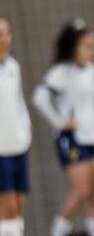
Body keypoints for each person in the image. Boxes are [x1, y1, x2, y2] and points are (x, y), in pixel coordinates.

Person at [31, 20, 94, 236]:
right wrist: (59, 121)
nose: (92, 51)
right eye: (87, 46)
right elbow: (40, 98)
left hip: (93, 137)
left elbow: (90, 102)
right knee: (81, 191)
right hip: (72, 139)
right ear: (74, 46)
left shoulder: (92, 70)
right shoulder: (61, 72)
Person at [0, 18, 31, 236]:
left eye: (6, 32)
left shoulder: (13, 66)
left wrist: (26, 128)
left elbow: (19, 101)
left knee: (19, 206)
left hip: (18, 145)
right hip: (0, 150)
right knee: (8, 208)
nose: (3, 38)